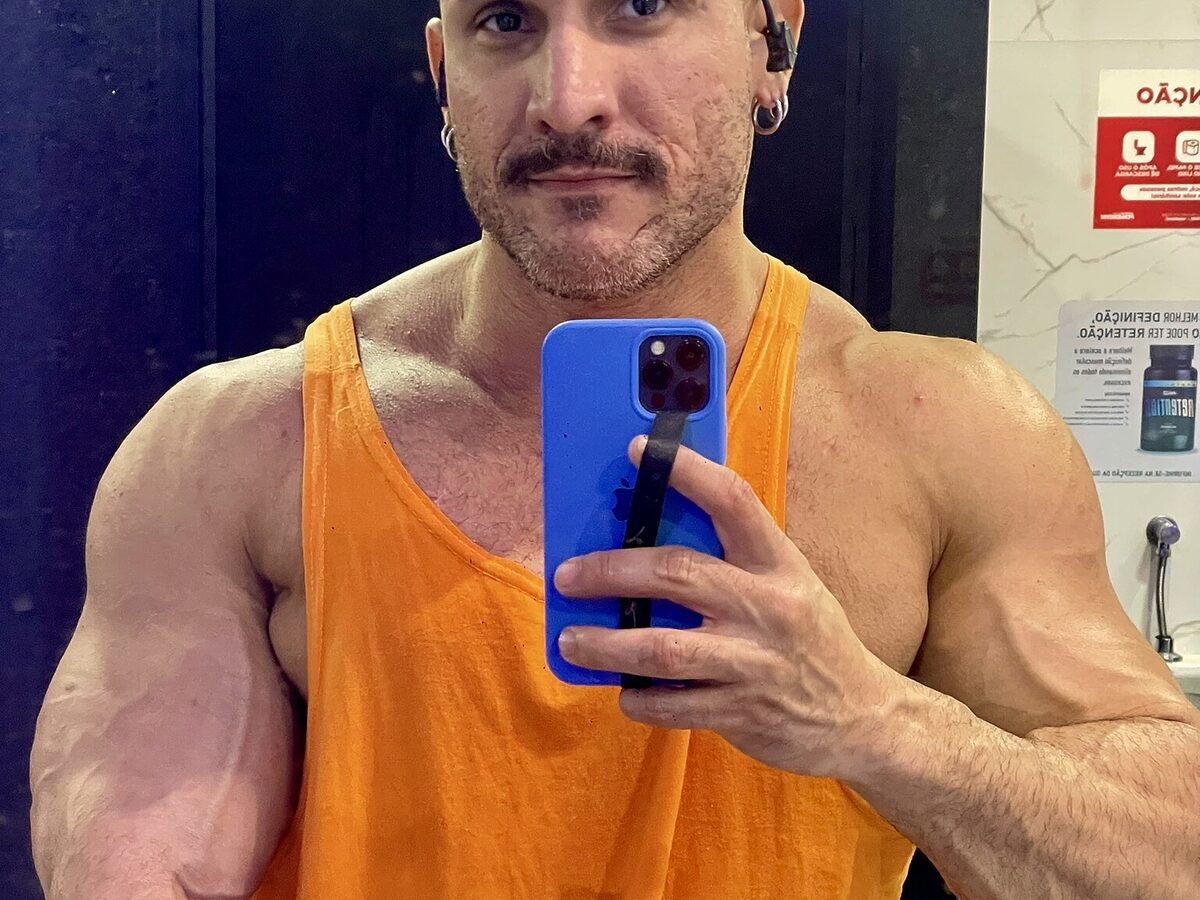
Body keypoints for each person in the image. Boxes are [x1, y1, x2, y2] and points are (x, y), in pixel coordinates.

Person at [30, 0, 1200, 897]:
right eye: (506, 22)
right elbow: (144, 853)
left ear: (774, 44)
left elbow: (1164, 859)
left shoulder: (947, 433)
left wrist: (872, 723)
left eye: (641, 5)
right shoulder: (232, 446)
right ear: (443, 72)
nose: (568, 98)